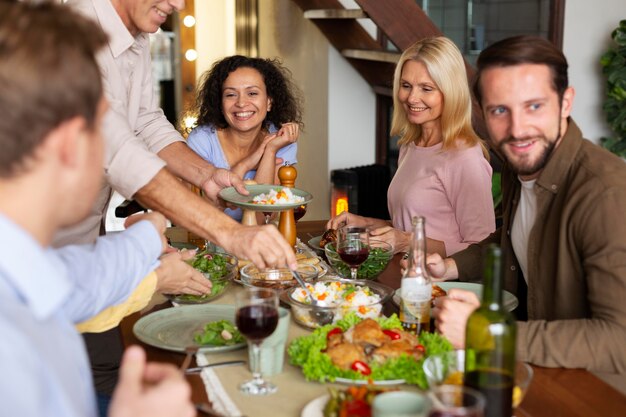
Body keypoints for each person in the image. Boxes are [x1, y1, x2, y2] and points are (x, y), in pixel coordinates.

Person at [62, 1, 296, 413]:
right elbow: (116, 150)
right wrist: (226, 231)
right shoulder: (75, 30)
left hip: (86, 230)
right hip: (48, 236)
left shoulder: (137, 38)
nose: (174, 5)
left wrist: (207, 176)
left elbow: (148, 123)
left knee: (105, 359)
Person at [0, 2, 193, 416]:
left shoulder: (25, 260)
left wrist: (151, 229)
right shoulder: (12, 351)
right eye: (106, 124)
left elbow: (76, 279)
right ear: (71, 143)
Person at [428, 35, 626, 393]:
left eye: (534, 106)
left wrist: (487, 333)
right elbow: (515, 245)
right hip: (538, 375)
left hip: (597, 396)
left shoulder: (607, 195)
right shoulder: (522, 167)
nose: (517, 129)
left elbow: (619, 341)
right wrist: (451, 266)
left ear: (566, 102)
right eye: (499, 110)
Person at [328, 37, 494, 257]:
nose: (412, 97)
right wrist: (366, 223)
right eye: (406, 86)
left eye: (427, 88)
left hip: (440, 287)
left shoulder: (464, 158)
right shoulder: (410, 146)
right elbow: (409, 228)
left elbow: (482, 249)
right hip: (406, 277)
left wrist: (408, 242)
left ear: (451, 93)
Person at [187, 55, 303, 221]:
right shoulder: (201, 141)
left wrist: (270, 151)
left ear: (269, 101)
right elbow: (204, 217)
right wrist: (247, 163)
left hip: (256, 240)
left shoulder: (280, 139)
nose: (241, 103)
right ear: (220, 103)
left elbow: (262, 216)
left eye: (252, 93)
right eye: (231, 94)